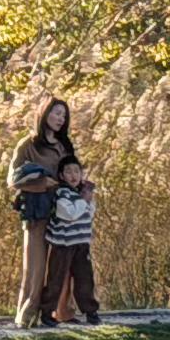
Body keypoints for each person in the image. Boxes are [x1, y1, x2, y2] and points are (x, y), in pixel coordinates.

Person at [8, 98, 74, 327]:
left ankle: (60, 311)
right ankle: (27, 314)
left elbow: (71, 172)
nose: (60, 119)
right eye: (57, 114)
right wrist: (41, 182)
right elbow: (13, 179)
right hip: (36, 210)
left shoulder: (64, 145)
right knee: (35, 266)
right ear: (45, 114)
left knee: (62, 263)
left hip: (62, 210)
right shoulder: (28, 144)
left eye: (64, 116)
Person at [39, 156, 102, 325]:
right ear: (61, 175)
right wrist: (84, 201)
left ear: (81, 174)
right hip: (63, 245)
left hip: (81, 243)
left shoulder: (82, 192)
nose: (73, 175)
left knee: (85, 279)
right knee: (56, 279)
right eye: (68, 172)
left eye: (76, 171)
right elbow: (70, 214)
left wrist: (87, 201)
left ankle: (91, 311)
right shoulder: (61, 193)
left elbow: (89, 213)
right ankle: (47, 313)